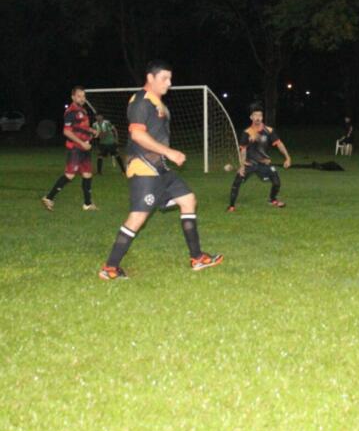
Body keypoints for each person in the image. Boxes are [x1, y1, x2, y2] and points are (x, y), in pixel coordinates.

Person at [99, 60, 223, 280]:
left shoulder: (158, 103)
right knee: (137, 217)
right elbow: (137, 135)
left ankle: (197, 258)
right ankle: (110, 267)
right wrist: (169, 152)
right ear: (150, 78)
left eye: (170, 78)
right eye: (164, 78)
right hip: (144, 167)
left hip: (161, 169)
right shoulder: (140, 101)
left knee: (188, 200)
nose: (169, 83)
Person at [41, 85, 99, 211]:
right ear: (73, 97)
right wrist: (82, 143)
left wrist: (91, 130)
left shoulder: (82, 110)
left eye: (83, 96)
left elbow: (80, 127)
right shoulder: (71, 111)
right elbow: (67, 132)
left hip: (84, 147)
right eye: (79, 96)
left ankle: (87, 204)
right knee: (70, 175)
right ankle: (49, 198)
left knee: (87, 174)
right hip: (76, 148)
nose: (82, 98)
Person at [227, 102, 292, 211]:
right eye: (255, 115)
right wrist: (242, 166)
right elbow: (243, 150)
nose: (258, 118)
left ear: (262, 117)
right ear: (251, 117)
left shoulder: (269, 131)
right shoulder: (247, 132)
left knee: (277, 183)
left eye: (260, 115)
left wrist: (287, 157)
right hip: (249, 163)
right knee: (237, 182)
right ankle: (232, 206)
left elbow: (279, 144)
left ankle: (272, 200)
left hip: (264, 163)